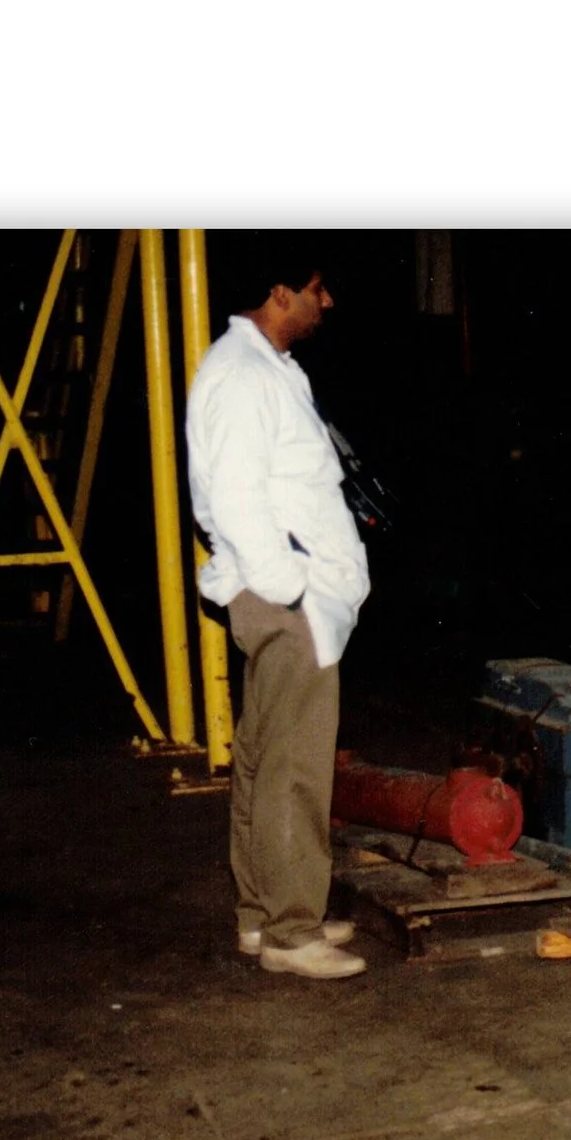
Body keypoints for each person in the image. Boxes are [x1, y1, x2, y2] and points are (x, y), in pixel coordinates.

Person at [186, 236, 372, 979]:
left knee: (264, 760)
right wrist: (289, 586)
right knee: (294, 764)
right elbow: (232, 498)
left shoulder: (265, 371)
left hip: (285, 593)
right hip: (285, 598)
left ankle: (263, 917)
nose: (327, 302)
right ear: (279, 291)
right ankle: (294, 933)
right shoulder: (241, 378)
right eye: (317, 288)